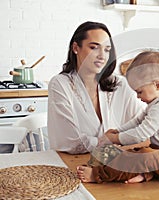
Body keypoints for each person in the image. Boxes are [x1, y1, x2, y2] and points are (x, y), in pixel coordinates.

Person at [76, 51, 159, 183]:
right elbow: (138, 120)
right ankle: (145, 174)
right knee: (133, 152)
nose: (137, 96)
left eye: (139, 91)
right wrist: (118, 131)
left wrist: (116, 138)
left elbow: (140, 135)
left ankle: (98, 174)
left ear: (158, 85)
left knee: (138, 157)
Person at [47, 21, 147, 154]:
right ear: (76, 48)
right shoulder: (60, 84)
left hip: (116, 162)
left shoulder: (120, 84)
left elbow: (145, 125)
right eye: (94, 47)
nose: (102, 56)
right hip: (75, 164)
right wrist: (116, 142)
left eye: (107, 50)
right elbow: (71, 141)